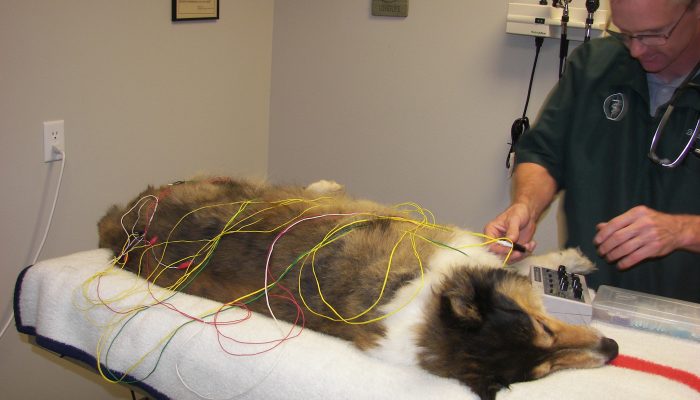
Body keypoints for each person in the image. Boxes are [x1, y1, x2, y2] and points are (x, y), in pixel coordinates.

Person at [485, 0, 700, 303]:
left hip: (689, 317)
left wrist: (684, 230)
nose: (636, 50)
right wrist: (526, 206)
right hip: (590, 300)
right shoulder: (595, 67)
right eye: (625, 33)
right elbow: (544, 154)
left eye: (652, 34)